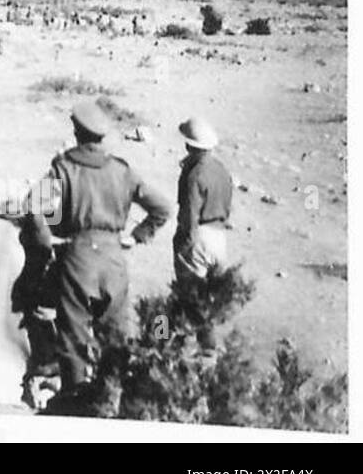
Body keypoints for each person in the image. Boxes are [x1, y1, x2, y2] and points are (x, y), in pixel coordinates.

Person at [23, 100, 172, 408]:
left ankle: (75, 402)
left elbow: (32, 205)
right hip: (114, 259)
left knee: (73, 336)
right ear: (102, 137)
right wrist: (137, 236)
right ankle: (114, 398)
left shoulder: (63, 168)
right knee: (115, 335)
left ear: (76, 132)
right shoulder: (122, 170)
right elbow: (162, 208)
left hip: (77, 258)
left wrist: (45, 242)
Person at [173, 116, 233, 282]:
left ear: (189, 145)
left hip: (199, 237)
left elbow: (190, 215)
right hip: (219, 238)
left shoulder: (195, 175)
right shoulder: (221, 170)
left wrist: (185, 245)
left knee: (190, 296)